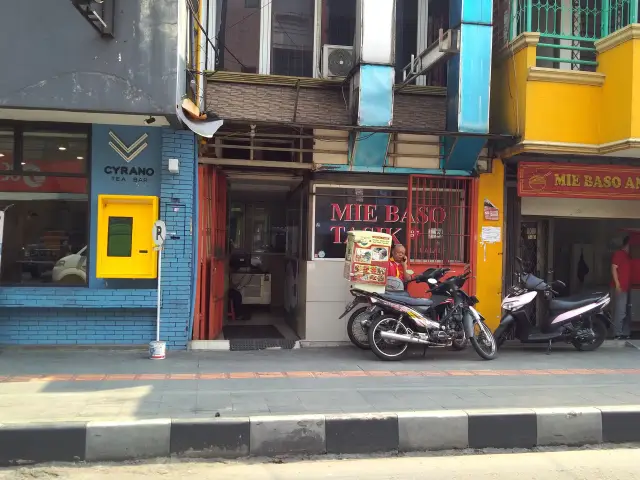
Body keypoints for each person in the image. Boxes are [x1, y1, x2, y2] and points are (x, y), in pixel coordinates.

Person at [611, 236, 632, 340]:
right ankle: (617, 333)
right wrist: (617, 284)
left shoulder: (628, 256)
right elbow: (614, 267)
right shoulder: (619, 254)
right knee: (620, 310)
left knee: (624, 311)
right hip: (620, 288)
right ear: (628, 244)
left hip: (626, 288)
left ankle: (623, 332)